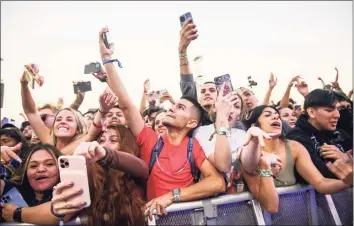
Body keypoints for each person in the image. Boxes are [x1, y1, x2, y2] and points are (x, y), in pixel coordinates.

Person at [97, 26, 225, 220]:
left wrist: (171, 196)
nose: (172, 108)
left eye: (180, 108)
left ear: (191, 123)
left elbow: (217, 182)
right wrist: (107, 61)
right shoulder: (151, 141)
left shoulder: (193, 146)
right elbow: (125, 103)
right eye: (174, 106)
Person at [242, 105, 352, 213]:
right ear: (254, 126)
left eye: (277, 115)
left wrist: (347, 182)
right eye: (267, 115)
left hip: (299, 217)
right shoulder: (247, 154)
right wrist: (264, 164)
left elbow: (321, 183)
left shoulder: (294, 147)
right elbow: (271, 207)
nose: (276, 117)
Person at [51, 124, 148, 225]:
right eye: (101, 141)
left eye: (113, 140)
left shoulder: (134, 172)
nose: (104, 145)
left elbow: (142, 167)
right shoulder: (89, 172)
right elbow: (72, 208)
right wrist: (59, 208)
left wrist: (106, 154)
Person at [21, 71, 116, 155]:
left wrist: (103, 108)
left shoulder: (83, 143)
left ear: (78, 129)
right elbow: (30, 112)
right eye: (58, 119)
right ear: (53, 128)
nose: (62, 122)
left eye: (69, 119)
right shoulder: (48, 140)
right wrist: (24, 84)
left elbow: (94, 128)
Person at [287, 89, 353, 181]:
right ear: (311, 112)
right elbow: (322, 175)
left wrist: (346, 157)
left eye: (338, 109)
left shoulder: (339, 133)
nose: (337, 115)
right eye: (329, 110)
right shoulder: (297, 137)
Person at [0, 144, 61, 222]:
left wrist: (16, 213)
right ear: (25, 171)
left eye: (49, 164)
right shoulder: (11, 188)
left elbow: (61, 211)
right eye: (33, 166)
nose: (41, 169)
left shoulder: (69, 191)